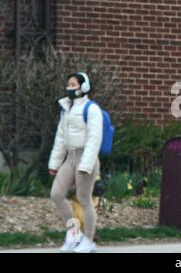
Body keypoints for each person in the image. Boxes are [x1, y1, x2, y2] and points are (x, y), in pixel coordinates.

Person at [49, 72, 103, 253]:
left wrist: (86, 165)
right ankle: (73, 235)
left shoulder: (92, 109)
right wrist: (54, 163)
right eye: (68, 84)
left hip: (85, 158)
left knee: (84, 199)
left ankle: (88, 241)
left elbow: (95, 139)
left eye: (73, 84)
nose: (69, 88)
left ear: (84, 87)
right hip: (70, 158)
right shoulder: (66, 108)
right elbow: (61, 138)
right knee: (56, 194)